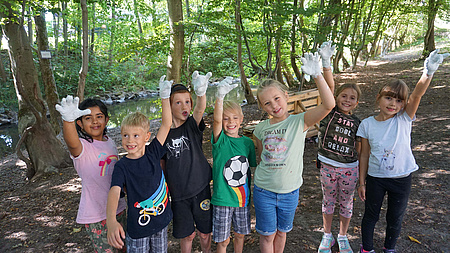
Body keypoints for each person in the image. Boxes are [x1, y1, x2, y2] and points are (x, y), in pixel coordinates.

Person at [357, 49, 449, 253]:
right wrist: (361, 182)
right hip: (375, 178)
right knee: (371, 215)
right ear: (379, 98)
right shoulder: (366, 124)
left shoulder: (404, 119)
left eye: (399, 100)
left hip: (401, 178)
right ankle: (367, 249)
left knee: (395, 217)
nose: (393, 104)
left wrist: (428, 72)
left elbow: (416, 95)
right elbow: (363, 154)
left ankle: (389, 248)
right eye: (389, 98)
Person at [253, 52, 335, 253]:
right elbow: (262, 155)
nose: (274, 105)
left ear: (286, 96)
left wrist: (317, 74)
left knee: (282, 232)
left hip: (290, 192)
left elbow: (329, 104)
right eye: (267, 103)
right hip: (264, 190)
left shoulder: (300, 121)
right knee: (267, 234)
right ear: (262, 107)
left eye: (277, 98)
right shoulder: (260, 129)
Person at [106, 76, 173, 253]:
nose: (130, 140)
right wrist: (111, 220)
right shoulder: (122, 166)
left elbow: (167, 124)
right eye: (125, 135)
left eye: (136, 136)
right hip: (138, 230)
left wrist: (164, 95)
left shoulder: (153, 152)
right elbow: (114, 191)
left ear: (146, 137)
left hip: (161, 222)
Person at [55, 96, 127, 252]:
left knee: (124, 247)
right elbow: (71, 143)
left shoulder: (110, 141)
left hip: (119, 207)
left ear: (106, 120)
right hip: (98, 215)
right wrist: (68, 121)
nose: (95, 121)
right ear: (80, 123)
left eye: (99, 116)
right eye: (88, 118)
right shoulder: (82, 147)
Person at [315, 42, 361, 253]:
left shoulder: (359, 123)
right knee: (328, 201)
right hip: (328, 166)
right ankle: (327, 235)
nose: (347, 100)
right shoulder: (330, 111)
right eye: (344, 96)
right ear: (336, 98)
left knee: (347, 203)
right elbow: (330, 87)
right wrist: (326, 63)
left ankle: (342, 236)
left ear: (357, 103)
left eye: (352, 98)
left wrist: (362, 177)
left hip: (350, 168)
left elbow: (360, 149)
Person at [161, 71, 213, 253]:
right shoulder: (164, 133)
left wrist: (201, 92)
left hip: (201, 189)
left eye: (187, 101)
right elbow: (161, 165)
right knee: (187, 235)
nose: (185, 106)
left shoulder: (192, 125)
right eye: (178, 102)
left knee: (205, 232)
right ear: (169, 105)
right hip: (179, 195)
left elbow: (200, 109)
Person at [211, 77, 257, 253]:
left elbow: (250, 169)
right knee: (222, 241)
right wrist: (220, 98)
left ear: (241, 119)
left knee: (240, 235)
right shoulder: (220, 141)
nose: (230, 122)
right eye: (225, 119)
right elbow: (215, 122)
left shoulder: (247, 143)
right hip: (222, 199)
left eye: (234, 118)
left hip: (242, 199)